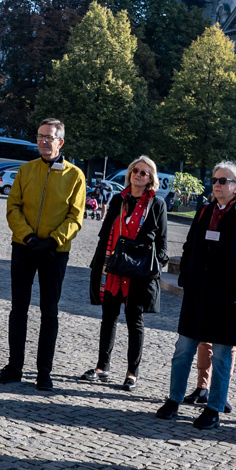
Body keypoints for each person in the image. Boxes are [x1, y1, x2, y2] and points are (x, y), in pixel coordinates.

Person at [154, 161, 236, 428]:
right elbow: (190, 246)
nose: (217, 184)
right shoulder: (204, 212)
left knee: (223, 356)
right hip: (198, 296)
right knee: (183, 350)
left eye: (223, 181)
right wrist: (186, 279)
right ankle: (173, 400)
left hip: (228, 300)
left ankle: (213, 408)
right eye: (215, 180)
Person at [0, 118, 86, 392]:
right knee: (18, 309)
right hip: (24, 247)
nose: (44, 141)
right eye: (40, 136)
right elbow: (13, 207)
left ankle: (44, 372)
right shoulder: (25, 171)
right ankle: (15, 366)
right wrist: (29, 237)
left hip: (54, 253)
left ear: (60, 142)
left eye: (49, 137)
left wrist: (54, 241)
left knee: (50, 312)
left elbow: (76, 216)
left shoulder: (75, 176)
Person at [81, 156, 169, 391]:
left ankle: (132, 373)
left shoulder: (157, 204)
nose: (138, 176)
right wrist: (98, 264)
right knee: (108, 318)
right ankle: (102, 367)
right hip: (114, 267)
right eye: (135, 171)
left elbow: (162, 244)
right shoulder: (118, 199)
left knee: (134, 322)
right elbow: (104, 233)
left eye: (144, 173)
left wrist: (154, 269)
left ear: (151, 179)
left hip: (138, 272)